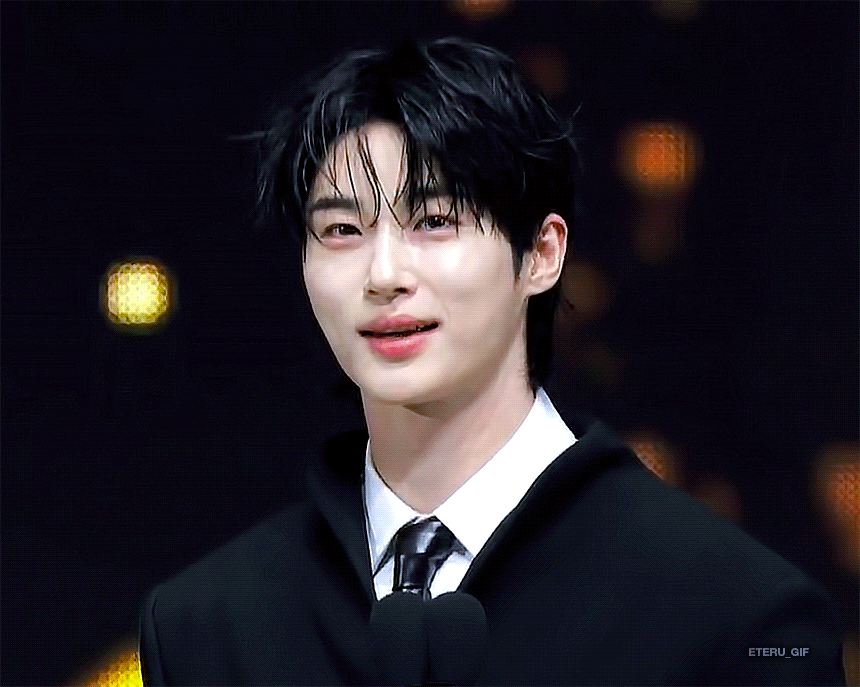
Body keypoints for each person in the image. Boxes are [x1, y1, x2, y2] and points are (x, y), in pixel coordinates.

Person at [139, 37, 845, 686]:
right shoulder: (207, 627)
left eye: (434, 221)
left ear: (541, 253)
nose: (384, 275)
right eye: (342, 229)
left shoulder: (734, 616)